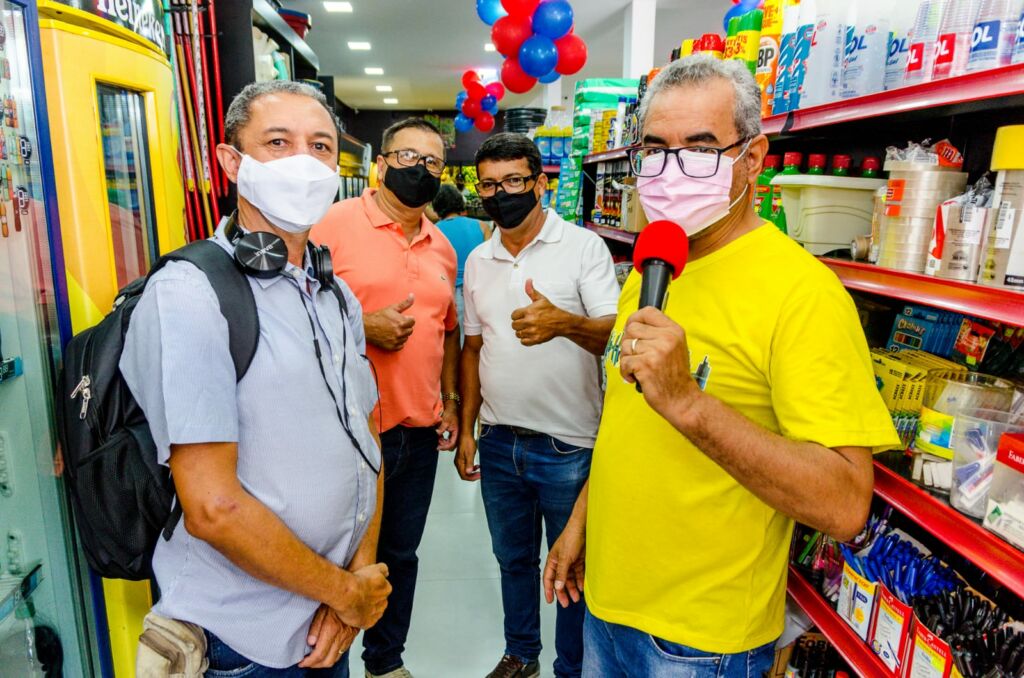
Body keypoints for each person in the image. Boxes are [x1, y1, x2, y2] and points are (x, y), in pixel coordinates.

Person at [543, 56, 900, 677]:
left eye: (701, 149)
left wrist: (689, 403)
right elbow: (629, 423)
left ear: (753, 158)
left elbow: (845, 505)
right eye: (656, 150)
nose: (671, 170)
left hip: (700, 641)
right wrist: (581, 521)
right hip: (607, 602)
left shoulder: (802, 293)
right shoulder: (652, 268)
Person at [121, 80, 391, 677]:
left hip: (327, 622)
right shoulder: (192, 294)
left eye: (320, 146)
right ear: (231, 162)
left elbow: (365, 444)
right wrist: (346, 593)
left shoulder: (335, 296)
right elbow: (213, 507)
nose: (304, 162)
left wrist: (357, 579)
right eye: (278, 142)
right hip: (243, 641)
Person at [457, 133, 620, 678]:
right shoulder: (479, 259)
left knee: (570, 567)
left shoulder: (582, 247)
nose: (500, 194)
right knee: (513, 560)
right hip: (499, 439)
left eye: (513, 181)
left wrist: (564, 323)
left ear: (540, 183)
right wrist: (467, 429)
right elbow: (473, 348)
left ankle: (570, 667)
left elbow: (615, 335)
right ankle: (521, 654)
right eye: (489, 185)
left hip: (568, 443)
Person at [311, 118, 459, 678]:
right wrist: (362, 324)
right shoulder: (331, 225)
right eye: (407, 157)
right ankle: (325, 662)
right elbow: (289, 312)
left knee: (400, 555)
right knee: (332, 554)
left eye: (432, 162)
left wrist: (450, 399)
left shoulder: (442, 246)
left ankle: (385, 661)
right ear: (380, 165)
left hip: (415, 435)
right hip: (344, 433)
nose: (420, 170)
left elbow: (447, 330)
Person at [431, 183, 491, 332]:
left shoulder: (433, 232)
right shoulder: (482, 226)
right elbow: (491, 263)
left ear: (436, 206)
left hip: (449, 293)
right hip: (479, 290)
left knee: (455, 336)